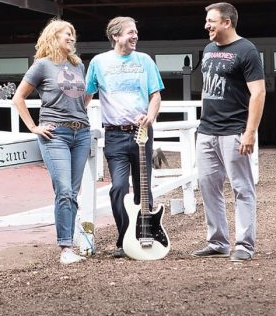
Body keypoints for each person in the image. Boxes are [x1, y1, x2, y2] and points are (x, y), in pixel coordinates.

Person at [191, 2, 266, 263]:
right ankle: (217, 242)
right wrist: (202, 122)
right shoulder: (210, 49)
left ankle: (244, 245)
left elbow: (258, 92)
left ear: (227, 22)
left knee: (242, 188)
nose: (206, 25)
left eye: (211, 21)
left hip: (233, 131)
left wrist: (250, 132)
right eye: (206, 21)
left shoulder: (247, 50)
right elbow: (206, 89)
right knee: (207, 186)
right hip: (207, 131)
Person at [12, 19, 91, 265]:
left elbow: (82, 99)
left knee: (74, 192)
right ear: (52, 37)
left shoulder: (78, 65)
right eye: (66, 34)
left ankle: (71, 244)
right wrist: (34, 127)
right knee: (64, 190)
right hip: (56, 135)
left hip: (82, 134)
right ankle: (65, 248)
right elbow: (18, 98)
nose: (71, 37)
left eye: (72, 34)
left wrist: (77, 116)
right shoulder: (42, 66)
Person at [84, 16, 164, 258]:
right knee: (118, 187)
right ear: (116, 36)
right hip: (115, 135)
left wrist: (150, 117)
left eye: (136, 32)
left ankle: (144, 235)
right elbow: (87, 96)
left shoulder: (145, 61)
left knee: (144, 190)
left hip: (141, 133)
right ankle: (124, 238)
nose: (135, 36)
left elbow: (155, 95)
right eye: (130, 32)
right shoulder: (99, 62)